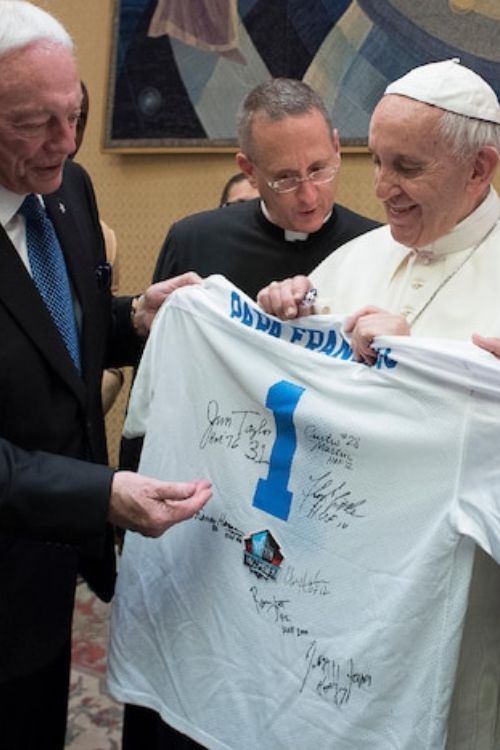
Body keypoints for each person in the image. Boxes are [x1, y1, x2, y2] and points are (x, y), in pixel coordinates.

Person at [257, 58, 500, 749]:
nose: (382, 189)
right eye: (375, 161)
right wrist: (279, 325)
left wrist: (425, 362)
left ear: (479, 167)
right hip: (336, 592)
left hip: (458, 608)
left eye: (408, 167)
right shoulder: (354, 259)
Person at [0, 3, 211, 749]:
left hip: (53, 570)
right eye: (34, 123)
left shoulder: (69, 189)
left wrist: (136, 318)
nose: (64, 144)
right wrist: (102, 493)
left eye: (76, 114)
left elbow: (57, 333)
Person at [152, 77, 379, 302]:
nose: (308, 197)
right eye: (286, 178)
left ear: (336, 148)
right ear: (249, 170)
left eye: (318, 169)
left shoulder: (378, 248)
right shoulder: (193, 243)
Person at [72, 80, 124, 414]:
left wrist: (135, 315)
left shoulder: (100, 235)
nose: (69, 135)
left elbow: (103, 343)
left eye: (78, 119)